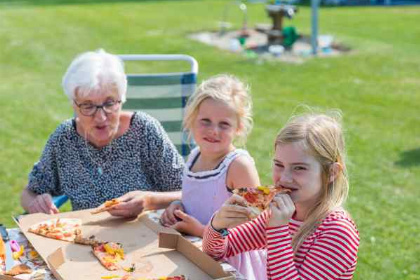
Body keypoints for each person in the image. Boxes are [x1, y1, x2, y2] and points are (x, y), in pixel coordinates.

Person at [20, 49, 184, 218]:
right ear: (74, 105)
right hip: (86, 239)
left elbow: (190, 192)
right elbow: (29, 192)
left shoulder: (144, 130)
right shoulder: (64, 139)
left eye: (109, 103)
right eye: (88, 106)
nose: (100, 117)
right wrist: (37, 203)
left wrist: (150, 201)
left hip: (146, 237)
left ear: (122, 99)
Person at [203, 113, 360, 280]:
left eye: (299, 168)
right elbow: (217, 251)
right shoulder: (280, 214)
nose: (284, 178)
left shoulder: (337, 232)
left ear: (331, 172)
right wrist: (218, 225)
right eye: (279, 165)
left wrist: (278, 230)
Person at [160, 75, 267, 280]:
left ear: (239, 128)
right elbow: (199, 197)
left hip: (231, 265)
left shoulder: (239, 166)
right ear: (191, 120)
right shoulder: (194, 156)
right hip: (194, 254)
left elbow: (257, 228)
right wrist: (178, 205)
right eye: (205, 121)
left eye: (224, 124)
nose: (213, 131)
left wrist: (201, 230)